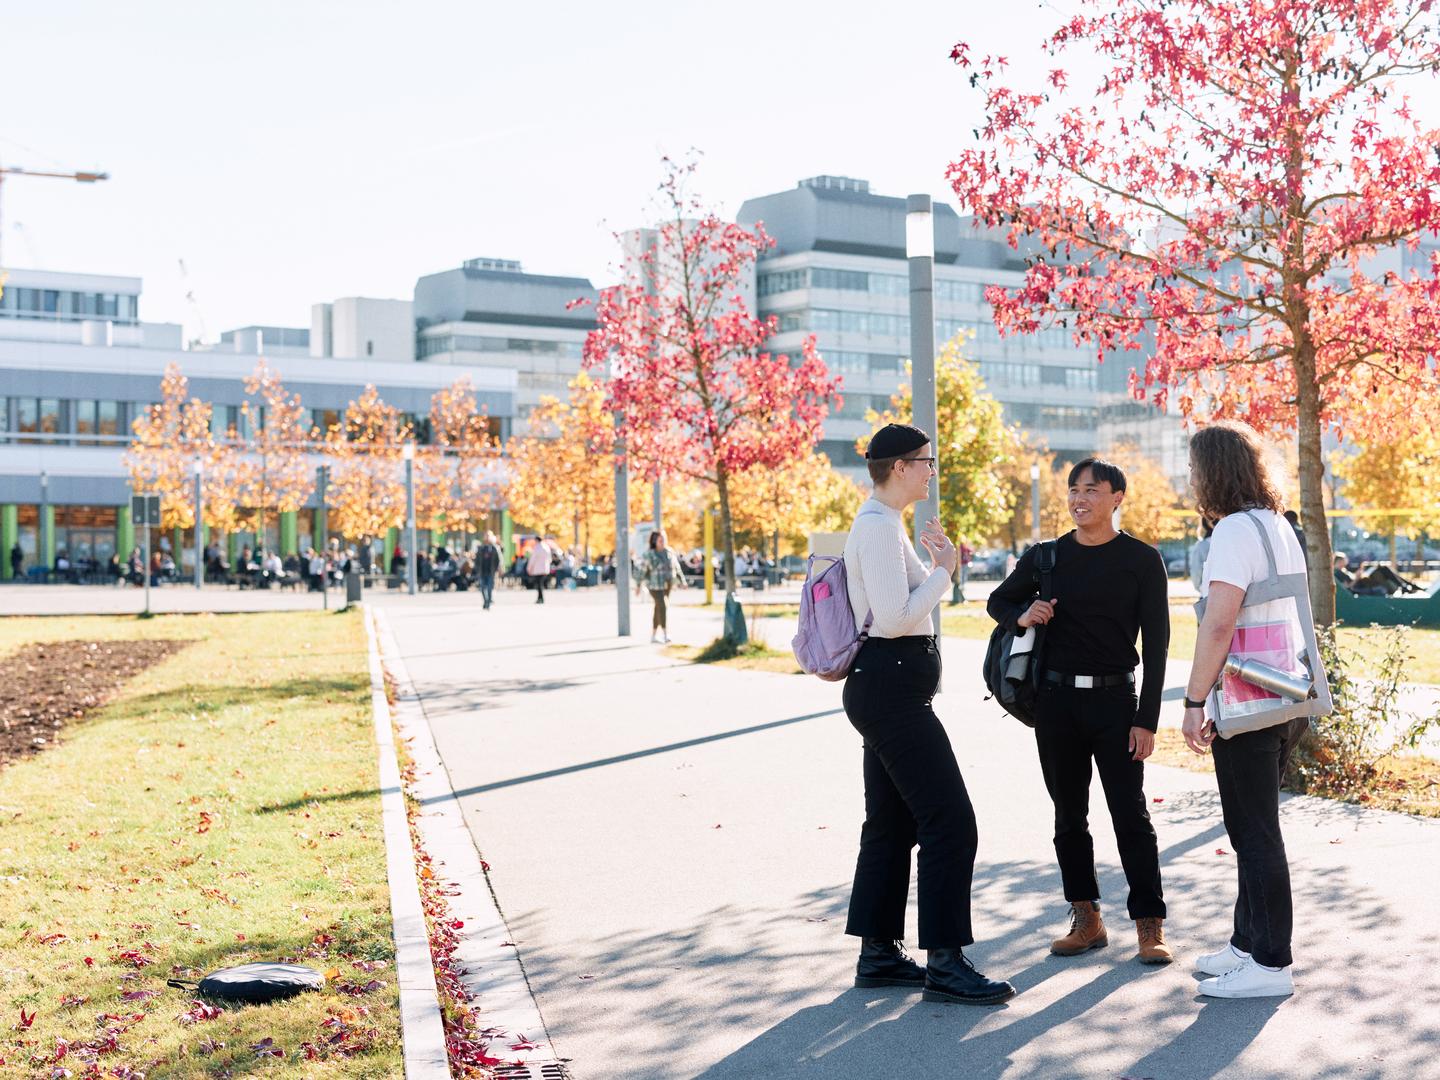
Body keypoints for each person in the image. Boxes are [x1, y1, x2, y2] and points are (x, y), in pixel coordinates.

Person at [840, 422, 1015, 1006]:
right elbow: (893, 618)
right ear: (898, 468)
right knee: (950, 820)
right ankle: (945, 961)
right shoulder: (878, 529)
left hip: (886, 690)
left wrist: (938, 565)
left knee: (891, 824)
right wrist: (945, 571)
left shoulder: (885, 525)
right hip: (890, 693)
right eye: (924, 461)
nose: (931, 470)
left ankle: (880, 953)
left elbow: (905, 604)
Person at [988, 457, 1174, 965]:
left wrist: (1148, 719)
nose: (1079, 499)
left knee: (1130, 815)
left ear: (1117, 497)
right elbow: (997, 601)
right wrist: (1022, 613)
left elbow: (1157, 646)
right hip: (1056, 703)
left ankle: (1149, 924)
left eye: (1091, 489)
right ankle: (1086, 916)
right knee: (1069, 814)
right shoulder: (1047, 557)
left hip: (1117, 704)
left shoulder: (1141, 560)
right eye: (1073, 490)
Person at [1181, 420, 1308, 999]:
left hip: (1246, 699)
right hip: (1285, 695)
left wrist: (1190, 700)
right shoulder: (1277, 525)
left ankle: (1272, 965)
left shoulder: (1231, 531)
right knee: (1254, 828)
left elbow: (1219, 623)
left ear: (1212, 474)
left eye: (1192, 469)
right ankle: (1246, 944)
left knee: (1254, 832)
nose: (1189, 480)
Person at [643, 531, 684, 643]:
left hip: (667, 584)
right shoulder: (649, 554)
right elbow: (642, 570)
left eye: (664, 539)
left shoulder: (669, 552)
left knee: (658, 608)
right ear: (655, 541)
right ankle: (666, 634)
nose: (662, 542)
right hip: (654, 585)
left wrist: (682, 581)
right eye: (660, 540)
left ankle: (653, 635)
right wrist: (638, 585)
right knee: (663, 605)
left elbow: (677, 567)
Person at [1333, 552, 1420, 596]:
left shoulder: (1343, 570)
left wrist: (1359, 572)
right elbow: (1348, 587)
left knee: (1383, 569)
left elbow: (1351, 579)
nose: (1346, 561)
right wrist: (1357, 578)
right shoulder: (1338, 572)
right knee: (1382, 569)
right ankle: (1405, 585)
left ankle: (1405, 585)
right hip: (1362, 585)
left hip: (1362, 581)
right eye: (1344, 560)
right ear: (1340, 561)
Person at [476, 532, 501, 609]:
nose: (487, 538)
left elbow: (497, 560)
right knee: (483, 588)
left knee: (490, 588)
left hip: (490, 572)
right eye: (485, 536)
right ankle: (486, 600)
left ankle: (488, 602)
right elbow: (477, 561)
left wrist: (496, 569)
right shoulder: (480, 548)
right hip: (482, 571)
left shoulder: (494, 549)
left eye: (488, 536)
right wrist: (477, 570)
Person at [1189, 518, 1214, 593]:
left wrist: (1200, 588)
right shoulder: (1229, 543)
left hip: (1207, 592)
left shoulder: (1201, 546)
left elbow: (1196, 570)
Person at [526, 536, 553, 604]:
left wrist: (529, 568)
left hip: (538, 569)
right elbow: (550, 559)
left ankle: (540, 598)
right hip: (545, 568)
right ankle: (540, 598)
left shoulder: (537, 548)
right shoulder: (546, 547)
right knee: (541, 583)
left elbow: (532, 559)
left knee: (539, 584)